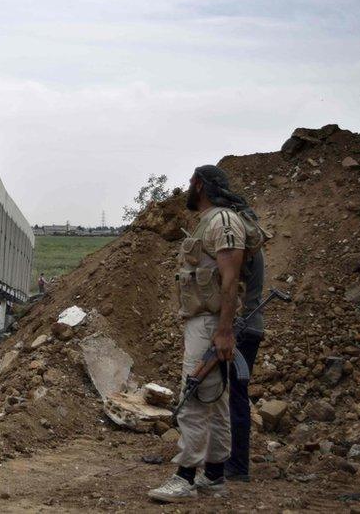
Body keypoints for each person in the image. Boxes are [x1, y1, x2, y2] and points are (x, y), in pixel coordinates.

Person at [149, 165, 247, 503]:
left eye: (191, 183)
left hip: (210, 324)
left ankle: (185, 476)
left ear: (200, 186)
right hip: (205, 321)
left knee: (193, 395)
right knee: (215, 399)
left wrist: (223, 331)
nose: (187, 188)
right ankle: (215, 475)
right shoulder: (210, 222)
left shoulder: (222, 222)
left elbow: (230, 279)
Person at [227, 233, 265, 481]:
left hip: (243, 327)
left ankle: (238, 464)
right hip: (250, 326)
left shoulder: (241, 245)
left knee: (236, 395)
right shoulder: (253, 245)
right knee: (236, 394)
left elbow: (229, 287)